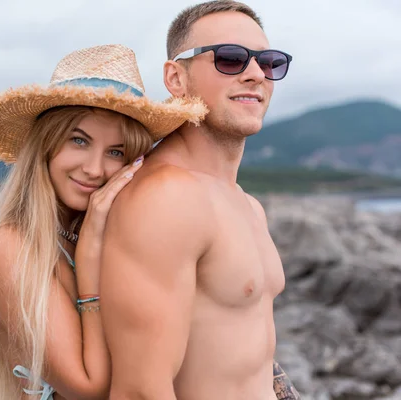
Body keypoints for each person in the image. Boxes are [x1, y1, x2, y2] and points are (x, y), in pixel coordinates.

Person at [0, 44, 207, 400]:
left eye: (116, 152)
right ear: (45, 145)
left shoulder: (118, 237)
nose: (94, 169)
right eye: (79, 140)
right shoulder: (8, 248)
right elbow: (90, 387)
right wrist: (90, 253)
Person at [99, 2, 300, 400]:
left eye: (270, 62)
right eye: (230, 58)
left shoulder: (245, 204)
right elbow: (140, 389)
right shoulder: (166, 197)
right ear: (176, 77)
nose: (256, 74)